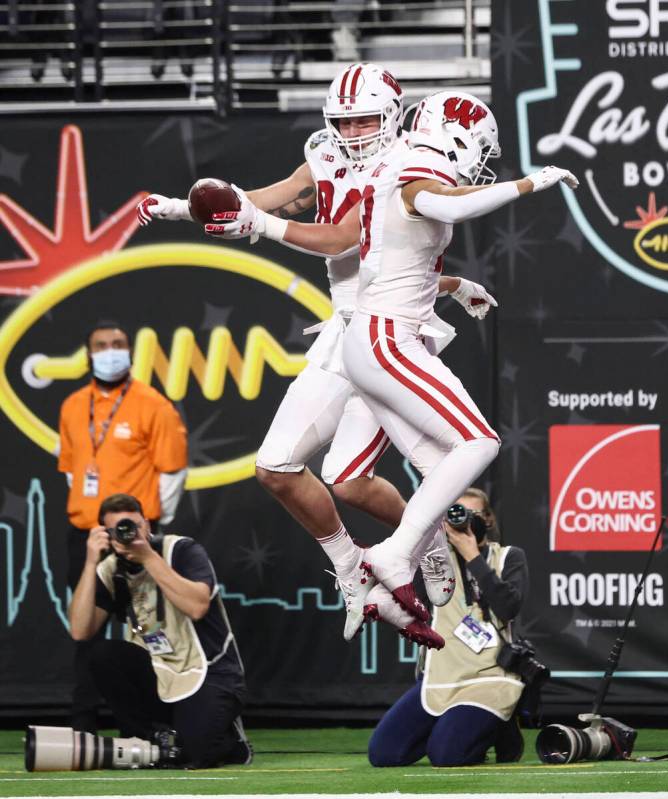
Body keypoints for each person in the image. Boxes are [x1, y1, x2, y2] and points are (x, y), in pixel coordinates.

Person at [136, 66, 495, 644]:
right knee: (274, 467)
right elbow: (275, 197)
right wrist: (188, 208)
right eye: (343, 119)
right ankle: (354, 565)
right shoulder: (326, 152)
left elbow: (343, 238)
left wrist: (258, 225)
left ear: (394, 115)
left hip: (390, 334)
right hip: (343, 331)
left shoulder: (410, 158)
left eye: (364, 118)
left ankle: (429, 552)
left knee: (357, 480)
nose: (352, 131)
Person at [207, 89, 577, 634]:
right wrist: (531, 182)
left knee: (406, 472)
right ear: (458, 139)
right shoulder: (412, 165)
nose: (353, 132)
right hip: (383, 337)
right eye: (477, 148)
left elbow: (390, 256)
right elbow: (414, 216)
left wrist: (454, 284)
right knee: (478, 443)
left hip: (375, 332)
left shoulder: (393, 166)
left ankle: (401, 567)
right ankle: (392, 556)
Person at [58, 320, 188, 732]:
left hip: (136, 540)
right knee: (86, 635)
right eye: (101, 345)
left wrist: (148, 528)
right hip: (87, 535)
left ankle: (146, 722)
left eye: (118, 344)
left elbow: (172, 474)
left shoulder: (153, 404)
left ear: (130, 352)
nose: (110, 351)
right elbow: (70, 470)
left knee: (147, 631)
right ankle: (83, 724)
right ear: (88, 354)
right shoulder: (72, 405)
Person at [68, 493, 251, 769]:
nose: (129, 534)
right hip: (158, 671)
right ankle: (144, 738)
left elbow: (198, 606)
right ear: (106, 535)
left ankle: (230, 740)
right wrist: (91, 562)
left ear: (147, 525)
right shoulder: (110, 569)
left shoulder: (182, 550)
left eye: (134, 526)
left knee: (195, 755)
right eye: (118, 529)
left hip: (208, 672)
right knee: (103, 653)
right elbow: (80, 631)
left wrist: (148, 557)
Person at [367, 488, 528, 767]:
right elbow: (408, 605)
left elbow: (508, 608)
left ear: (488, 520)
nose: (463, 521)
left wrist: (472, 556)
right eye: (455, 514)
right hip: (440, 678)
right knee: (384, 754)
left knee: (447, 755)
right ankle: (467, 725)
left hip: (489, 677)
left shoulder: (509, 557)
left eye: (472, 515)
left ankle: (499, 729)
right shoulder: (433, 561)